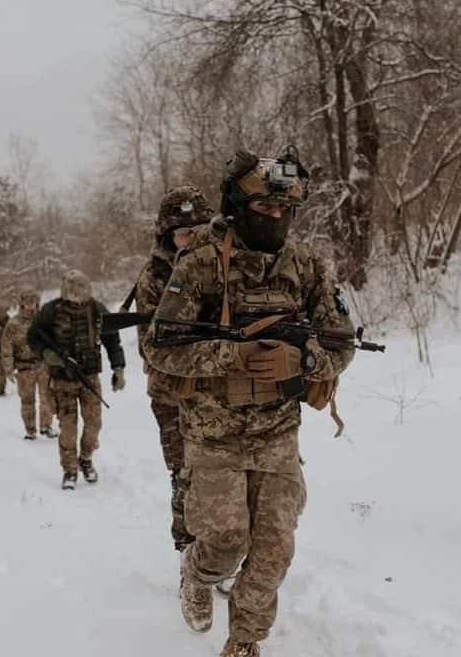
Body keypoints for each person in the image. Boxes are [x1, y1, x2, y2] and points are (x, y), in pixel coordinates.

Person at [143, 147, 355, 657]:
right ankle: (197, 572)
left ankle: (244, 641)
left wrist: (301, 363)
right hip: (213, 436)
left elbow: (341, 344)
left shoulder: (305, 268)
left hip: (278, 433)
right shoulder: (197, 267)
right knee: (226, 541)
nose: (276, 218)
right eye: (265, 210)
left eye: (285, 211)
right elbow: (159, 347)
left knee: (275, 550)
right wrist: (230, 356)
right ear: (238, 208)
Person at [136, 186, 214, 553]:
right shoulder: (153, 278)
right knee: (184, 473)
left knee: (218, 476)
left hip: (214, 393)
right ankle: (188, 549)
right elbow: (151, 347)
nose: (192, 240)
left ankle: (216, 548)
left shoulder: (222, 267)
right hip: (170, 394)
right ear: (168, 237)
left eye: (199, 231)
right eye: (184, 233)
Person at [28, 270, 126, 490]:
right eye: (73, 289)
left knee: (94, 424)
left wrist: (119, 368)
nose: (77, 293)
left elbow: (112, 340)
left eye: (81, 288)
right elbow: (33, 337)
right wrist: (47, 354)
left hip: (89, 377)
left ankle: (86, 458)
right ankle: (70, 469)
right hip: (62, 380)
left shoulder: (97, 309)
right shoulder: (50, 311)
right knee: (68, 428)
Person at [1, 287, 57, 440]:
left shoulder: (43, 320)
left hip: (43, 365)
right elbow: (6, 346)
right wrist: (8, 368)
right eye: (28, 301)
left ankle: (46, 426)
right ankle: (30, 429)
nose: (32, 304)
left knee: (47, 397)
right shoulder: (14, 323)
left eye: (34, 301)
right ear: (22, 304)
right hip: (24, 368)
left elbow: (53, 341)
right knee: (27, 401)